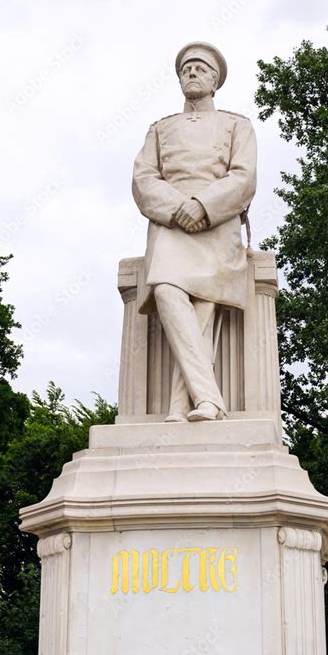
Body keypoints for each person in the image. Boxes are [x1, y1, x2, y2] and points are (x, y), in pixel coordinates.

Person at [132, 42, 257, 422]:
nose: (191, 73)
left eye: (200, 68)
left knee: (203, 305)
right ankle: (209, 397)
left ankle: (184, 406)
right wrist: (177, 208)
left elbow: (244, 176)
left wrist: (202, 206)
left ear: (215, 80)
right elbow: (143, 179)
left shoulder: (238, 125)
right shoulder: (160, 128)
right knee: (167, 289)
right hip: (171, 227)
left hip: (216, 226)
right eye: (186, 69)